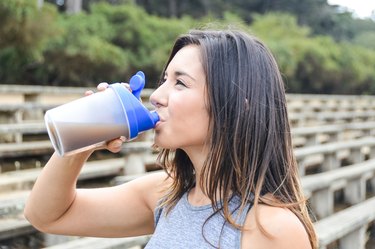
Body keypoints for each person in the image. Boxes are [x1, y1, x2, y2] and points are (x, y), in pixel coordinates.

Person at [24, 28, 318, 249]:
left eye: (180, 83)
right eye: (164, 79)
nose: (157, 96)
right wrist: (82, 139)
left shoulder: (273, 230)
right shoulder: (167, 194)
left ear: (238, 105)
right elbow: (46, 215)